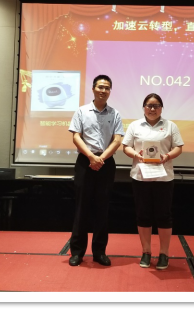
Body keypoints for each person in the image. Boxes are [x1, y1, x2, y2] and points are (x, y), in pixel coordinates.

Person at [67, 75, 124, 266]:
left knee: (102, 208)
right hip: (85, 162)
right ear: (93, 89)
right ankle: (77, 252)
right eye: (100, 87)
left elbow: (117, 140)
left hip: (106, 163)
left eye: (107, 88)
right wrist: (91, 157)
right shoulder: (82, 111)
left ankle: (99, 252)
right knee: (81, 208)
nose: (103, 90)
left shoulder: (115, 113)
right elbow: (76, 137)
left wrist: (101, 158)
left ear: (110, 91)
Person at [122, 93, 183, 270]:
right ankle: (146, 252)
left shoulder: (170, 126)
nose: (152, 109)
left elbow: (178, 147)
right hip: (140, 176)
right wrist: (136, 155)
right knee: (143, 215)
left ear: (161, 108)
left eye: (156, 106)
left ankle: (164, 253)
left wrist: (167, 156)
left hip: (163, 177)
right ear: (144, 108)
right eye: (149, 105)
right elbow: (126, 147)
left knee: (164, 216)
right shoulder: (135, 125)